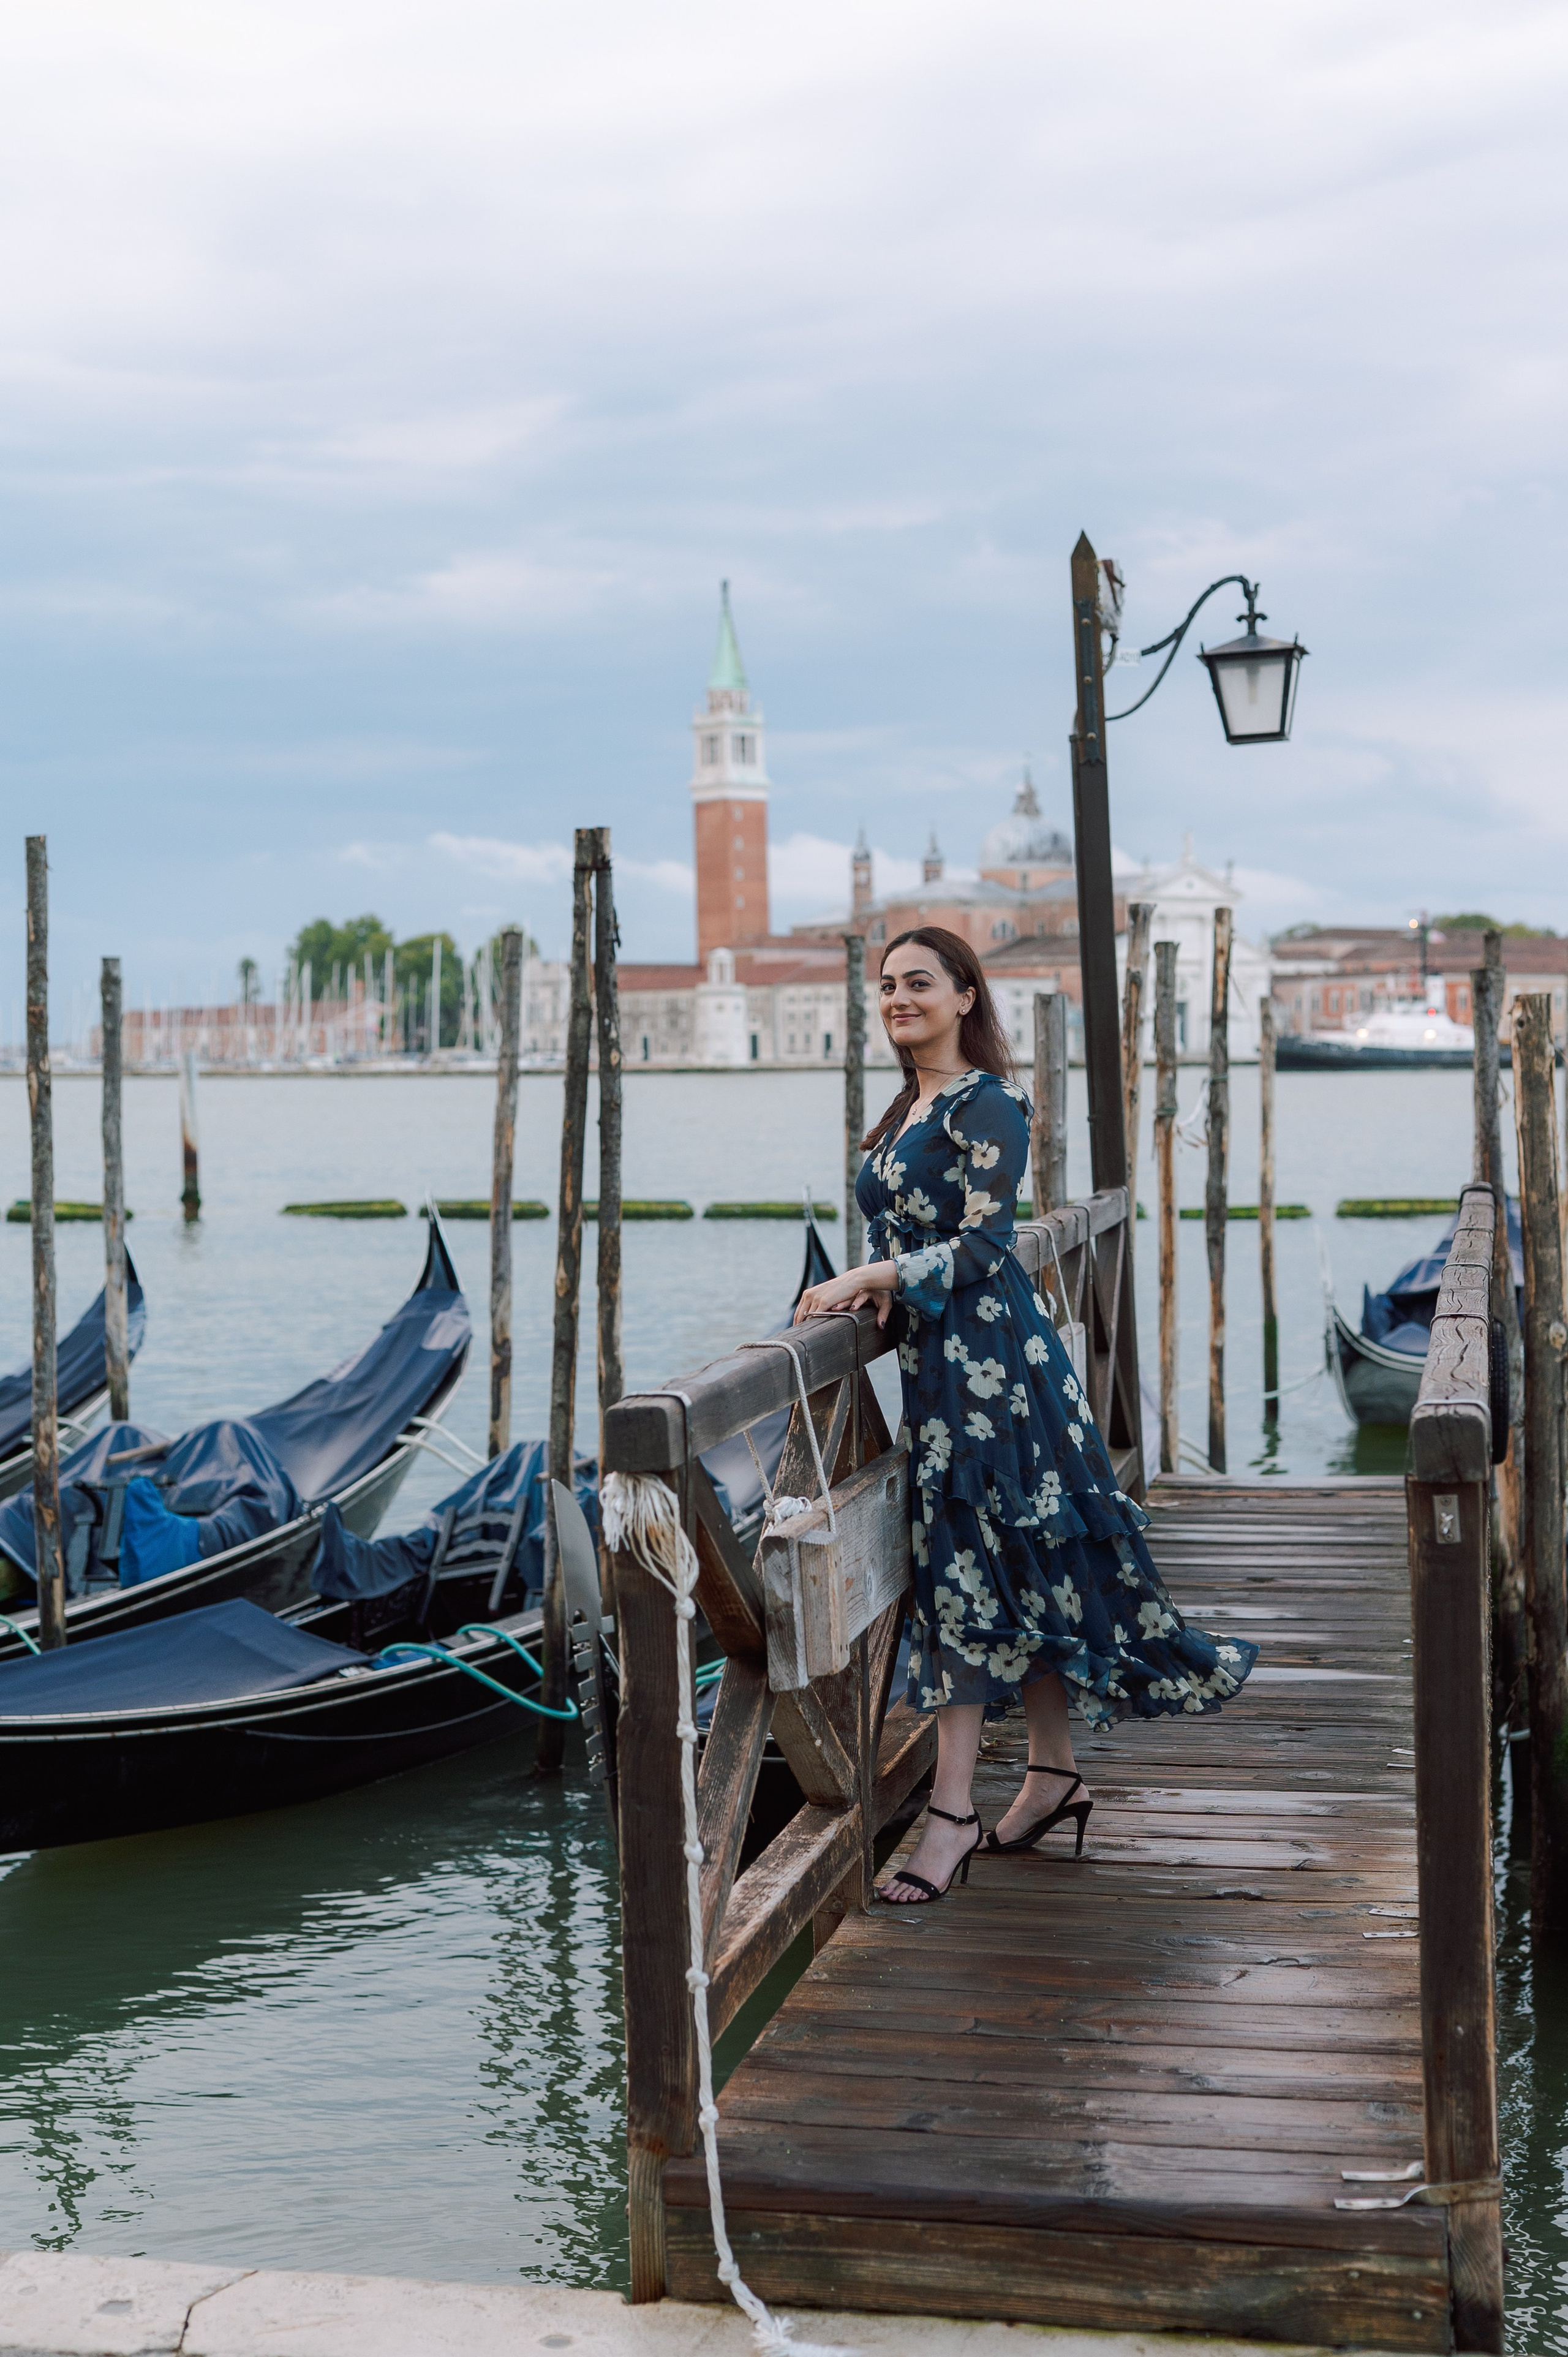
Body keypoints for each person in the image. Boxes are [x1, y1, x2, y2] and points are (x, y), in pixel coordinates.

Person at [794, 924, 1257, 1904]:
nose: (897, 1000)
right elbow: (914, 1232)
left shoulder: (991, 1103)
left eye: (918, 984)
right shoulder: (906, 1108)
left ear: (967, 997)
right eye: (885, 988)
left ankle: (951, 1814)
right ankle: (1052, 1774)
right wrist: (885, 1286)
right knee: (1011, 1567)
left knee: (966, 1573)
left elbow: (986, 1250)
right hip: (938, 1377)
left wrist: (876, 1272)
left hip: (996, 1378)